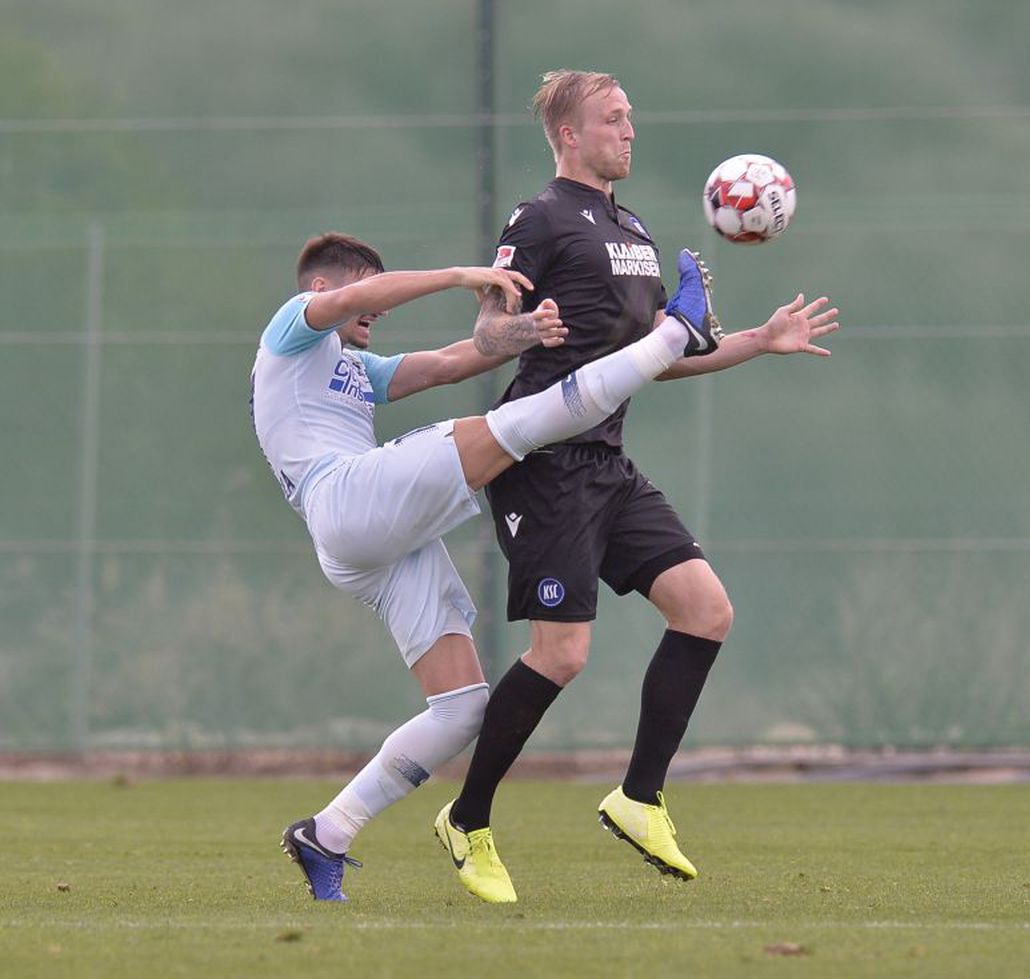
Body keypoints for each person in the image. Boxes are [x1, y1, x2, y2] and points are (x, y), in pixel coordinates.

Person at [434, 70, 840, 904]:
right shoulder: (538, 219)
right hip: (543, 463)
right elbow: (485, 331)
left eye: (630, 118)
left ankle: (639, 797)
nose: (628, 131)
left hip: (608, 464)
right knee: (564, 654)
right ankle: (466, 817)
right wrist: (526, 327)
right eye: (611, 119)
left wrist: (761, 340)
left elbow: (673, 355)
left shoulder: (635, 230)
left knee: (706, 610)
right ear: (568, 136)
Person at [253, 231, 724, 901]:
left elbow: (450, 362)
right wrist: (456, 273)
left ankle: (327, 832)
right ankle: (676, 333)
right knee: (522, 426)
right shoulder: (289, 329)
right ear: (321, 290)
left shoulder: (353, 367)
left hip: (369, 540)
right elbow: (357, 298)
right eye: (363, 290)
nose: (374, 310)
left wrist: (527, 332)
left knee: (463, 707)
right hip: (344, 498)